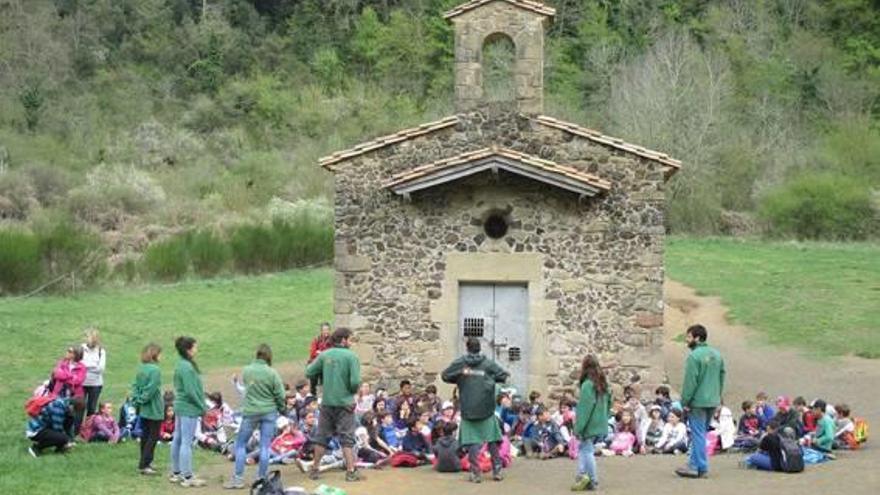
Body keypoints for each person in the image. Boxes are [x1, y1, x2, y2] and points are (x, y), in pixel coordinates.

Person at [442, 337, 509, 484]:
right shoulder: (487, 364)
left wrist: (461, 376)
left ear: (467, 348)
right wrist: (489, 379)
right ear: (479, 348)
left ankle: (475, 473)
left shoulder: (461, 363)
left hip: (468, 410)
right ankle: (497, 470)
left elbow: (445, 375)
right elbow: (503, 375)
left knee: (473, 443)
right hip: (486, 409)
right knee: (492, 441)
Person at [224, 344, 287, 489]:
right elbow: (280, 394)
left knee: (240, 444)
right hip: (269, 411)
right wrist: (280, 407)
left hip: (251, 412)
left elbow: (247, 390)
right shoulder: (272, 373)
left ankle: (238, 479)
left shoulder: (247, 371)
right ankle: (261, 479)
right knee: (265, 445)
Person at [305, 327, 363, 482]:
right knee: (347, 438)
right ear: (343, 340)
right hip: (345, 403)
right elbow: (356, 381)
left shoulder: (324, 355)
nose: (351, 342)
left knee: (322, 437)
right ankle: (351, 471)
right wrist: (351, 391)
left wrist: (323, 377)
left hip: (327, 402)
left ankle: (315, 469)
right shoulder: (351, 357)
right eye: (350, 339)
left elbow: (309, 372)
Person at [676, 324, 725, 479]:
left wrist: (685, 402)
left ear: (697, 338)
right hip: (712, 400)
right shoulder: (717, 354)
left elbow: (690, 382)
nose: (687, 340)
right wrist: (717, 396)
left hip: (697, 402)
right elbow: (722, 377)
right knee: (701, 433)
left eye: (689, 337)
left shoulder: (694, 356)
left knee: (698, 434)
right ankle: (693, 463)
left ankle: (700, 466)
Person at [169, 336, 207, 488]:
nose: (196, 350)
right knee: (186, 442)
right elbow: (192, 391)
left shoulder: (181, 365)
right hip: (189, 408)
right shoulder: (188, 367)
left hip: (180, 406)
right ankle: (188, 476)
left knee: (177, 439)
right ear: (188, 349)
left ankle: (176, 472)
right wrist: (201, 406)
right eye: (195, 347)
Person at [572, 354, 611, 492]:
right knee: (584, 450)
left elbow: (584, 409)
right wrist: (604, 419)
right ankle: (582, 476)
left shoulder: (587, 385)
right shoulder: (603, 384)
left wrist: (578, 427)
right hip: (600, 423)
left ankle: (592, 480)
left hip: (589, 424)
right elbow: (609, 404)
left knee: (587, 451)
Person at [131, 343, 163, 474]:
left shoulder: (141, 368)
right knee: (153, 437)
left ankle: (146, 461)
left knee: (145, 435)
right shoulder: (155, 370)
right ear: (155, 355)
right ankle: (144, 464)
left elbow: (135, 386)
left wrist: (137, 400)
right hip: (154, 408)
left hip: (143, 408)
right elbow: (151, 389)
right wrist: (143, 398)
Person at [81, 328, 106, 419]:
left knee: (91, 408)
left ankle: (88, 429)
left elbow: (101, 369)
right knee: (80, 407)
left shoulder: (101, 351)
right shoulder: (81, 349)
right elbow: (80, 365)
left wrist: (87, 367)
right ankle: (77, 429)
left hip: (96, 384)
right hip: (82, 383)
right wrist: (93, 366)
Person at [307, 322, 332, 394]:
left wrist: (320, 353)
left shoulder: (332, 340)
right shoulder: (316, 339)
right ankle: (313, 395)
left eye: (327, 330)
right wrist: (321, 353)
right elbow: (312, 353)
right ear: (321, 331)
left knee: (325, 382)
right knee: (313, 381)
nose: (326, 331)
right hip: (316, 363)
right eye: (324, 330)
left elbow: (332, 352)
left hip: (326, 364)